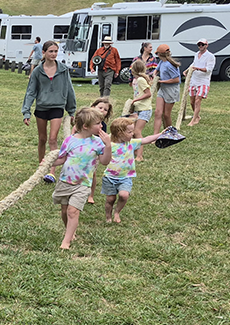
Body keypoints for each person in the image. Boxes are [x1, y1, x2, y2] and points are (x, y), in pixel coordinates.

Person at [48, 107, 111, 250]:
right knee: (64, 211)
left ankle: (66, 242)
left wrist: (108, 145)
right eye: (98, 123)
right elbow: (62, 159)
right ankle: (70, 232)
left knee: (72, 211)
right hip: (65, 181)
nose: (101, 126)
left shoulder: (98, 142)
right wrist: (47, 163)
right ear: (85, 126)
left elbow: (105, 161)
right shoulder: (70, 140)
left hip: (83, 184)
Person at [24, 40, 78, 180]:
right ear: (44, 52)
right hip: (41, 107)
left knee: (53, 139)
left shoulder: (63, 69)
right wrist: (26, 111)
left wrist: (71, 111)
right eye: (51, 51)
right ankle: (42, 168)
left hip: (57, 107)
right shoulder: (37, 71)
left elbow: (69, 90)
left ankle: (51, 171)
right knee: (42, 139)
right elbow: (31, 92)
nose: (54, 54)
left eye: (55, 51)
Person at [102, 117, 162, 223]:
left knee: (123, 195)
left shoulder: (131, 143)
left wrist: (161, 134)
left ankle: (117, 212)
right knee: (110, 199)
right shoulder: (110, 146)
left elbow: (146, 139)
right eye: (129, 132)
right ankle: (108, 216)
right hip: (109, 177)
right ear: (120, 133)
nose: (132, 134)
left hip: (125, 177)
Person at [124, 59, 154, 161]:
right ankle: (134, 152)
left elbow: (148, 93)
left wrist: (135, 100)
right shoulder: (135, 80)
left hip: (145, 109)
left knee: (137, 131)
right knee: (131, 131)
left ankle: (139, 156)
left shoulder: (141, 80)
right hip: (137, 108)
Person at [87, 98, 114, 203]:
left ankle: (91, 195)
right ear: (93, 107)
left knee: (92, 173)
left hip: (95, 152)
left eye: (105, 109)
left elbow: (102, 141)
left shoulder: (103, 126)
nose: (102, 110)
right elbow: (75, 130)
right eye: (100, 107)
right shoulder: (85, 120)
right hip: (82, 150)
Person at [186, 38, 215, 126]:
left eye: (202, 44)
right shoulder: (196, 55)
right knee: (192, 101)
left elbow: (209, 69)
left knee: (198, 100)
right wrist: (187, 70)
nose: (201, 46)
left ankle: (194, 120)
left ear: (207, 45)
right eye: (199, 45)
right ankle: (197, 116)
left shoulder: (210, 56)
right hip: (194, 80)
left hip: (203, 81)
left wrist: (198, 69)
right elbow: (193, 64)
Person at [154, 44, 181, 130]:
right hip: (163, 89)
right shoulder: (162, 62)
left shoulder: (170, 65)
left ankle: (169, 132)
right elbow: (157, 70)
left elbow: (177, 80)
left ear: (159, 54)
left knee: (166, 114)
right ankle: (156, 135)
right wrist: (154, 75)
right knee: (158, 112)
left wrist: (162, 81)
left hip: (171, 90)